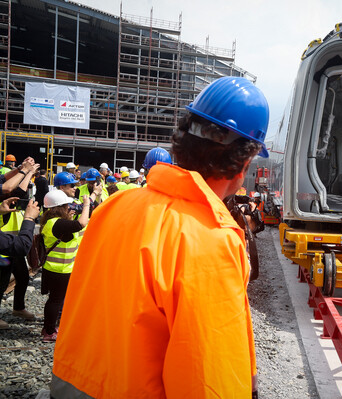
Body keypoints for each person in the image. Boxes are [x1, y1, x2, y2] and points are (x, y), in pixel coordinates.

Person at [51, 76, 270, 398]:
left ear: (182, 139)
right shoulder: (211, 239)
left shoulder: (115, 206)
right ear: (245, 162)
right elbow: (208, 378)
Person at [39, 190, 91, 342]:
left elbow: (73, 229)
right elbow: (81, 223)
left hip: (54, 268)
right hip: (60, 270)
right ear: (60, 207)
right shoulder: (59, 223)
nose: (69, 207)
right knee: (55, 300)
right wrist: (87, 204)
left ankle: (48, 327)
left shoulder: (53, 222)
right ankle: (49, 332)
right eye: (67, 205)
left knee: (55, 299)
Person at [0, 195, 40, 330]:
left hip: (12, 247)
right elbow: (22, 246)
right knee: (2, 283)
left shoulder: (9, 206)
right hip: (6, 248)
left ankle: (18, 307)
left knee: (23, 277)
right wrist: (29, 219)